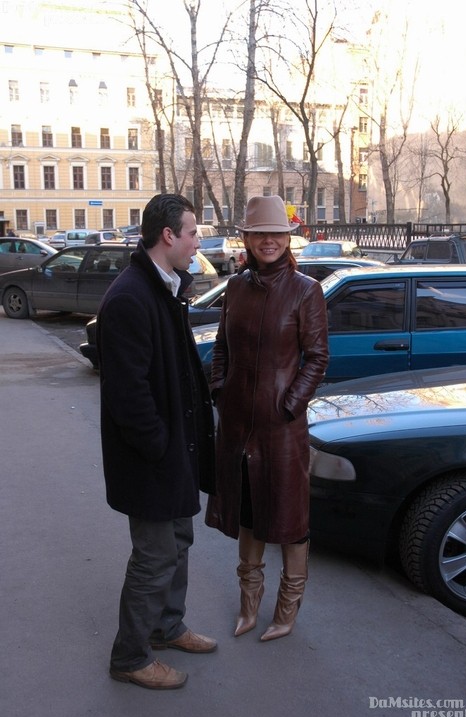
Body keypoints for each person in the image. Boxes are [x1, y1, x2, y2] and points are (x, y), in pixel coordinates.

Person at [96, 193, 217, 690]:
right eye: (192, 233)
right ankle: (130, 656)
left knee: (180, 541)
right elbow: (129, 397)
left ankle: (167, 626)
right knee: (154, 555)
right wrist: (161, 447)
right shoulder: (130, 297)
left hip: (174, 453)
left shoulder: (165, 286)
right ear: (168, 236)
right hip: (152, 459)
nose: (197, 242)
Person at [205, 195, 329, 642]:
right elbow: (221, 348)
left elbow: (317, 358)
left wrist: (289, 405)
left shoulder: (305, 290)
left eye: (276, 234)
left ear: (287, 238)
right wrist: (220, 390)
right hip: (238, 425)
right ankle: (248, 606)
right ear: (248, 239)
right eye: (260, 234)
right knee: (248, 514)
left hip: (282, 429)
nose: (269, 241)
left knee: (290, 522)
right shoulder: (236, 288)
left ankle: (287, 610)